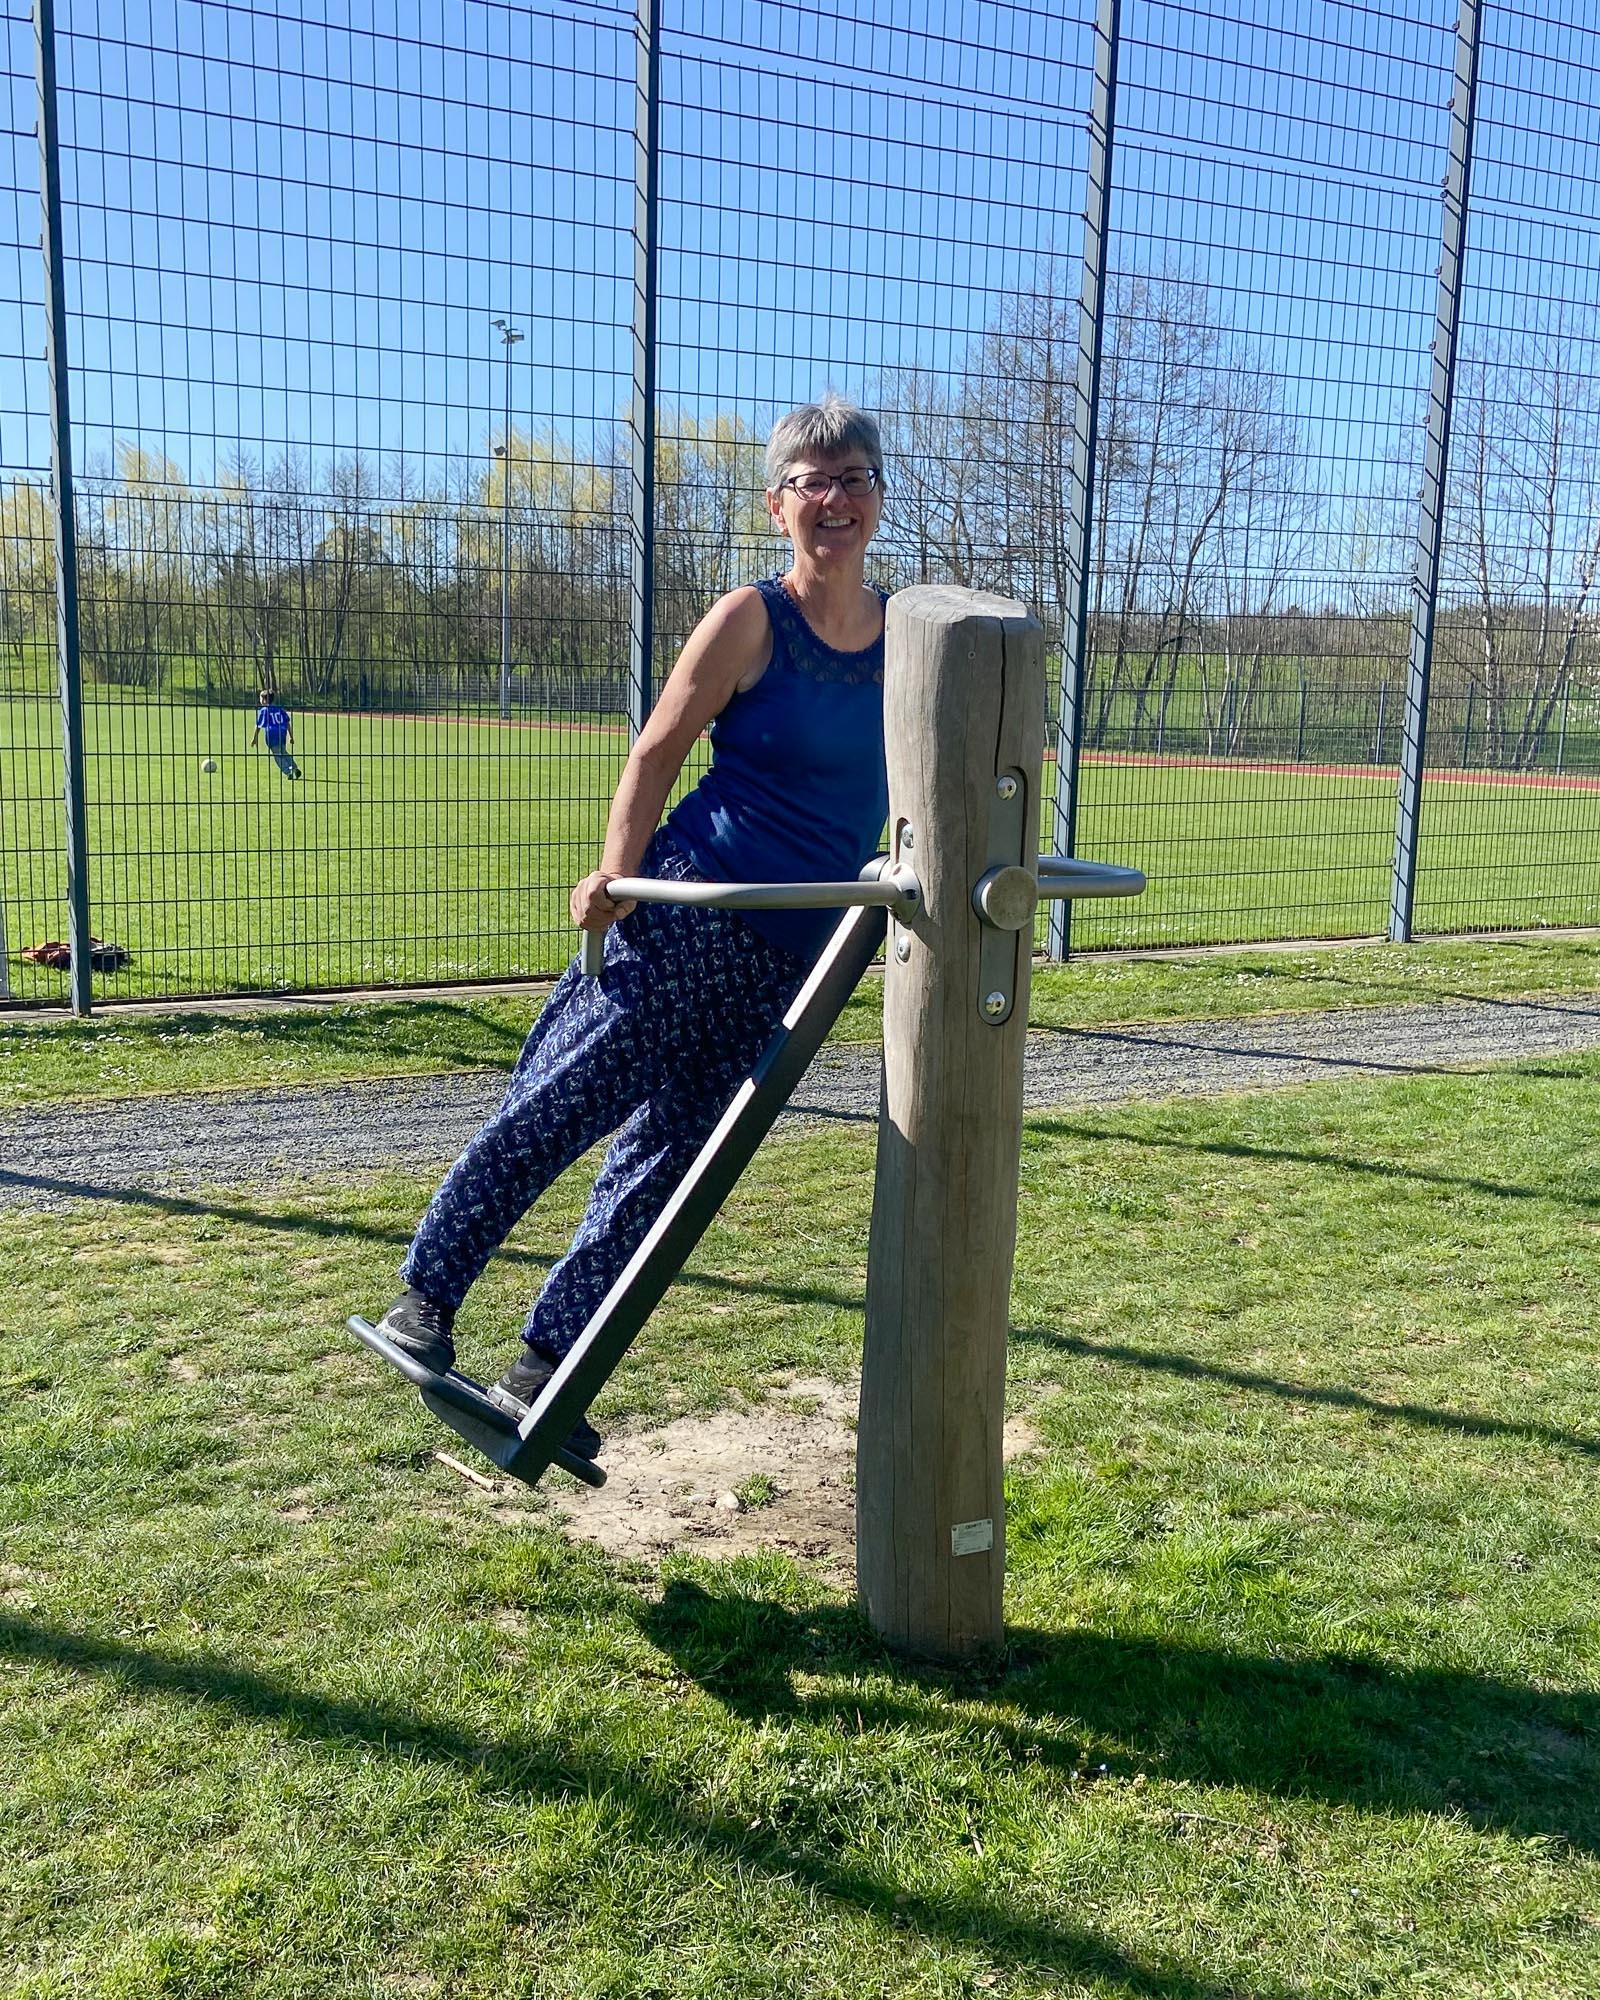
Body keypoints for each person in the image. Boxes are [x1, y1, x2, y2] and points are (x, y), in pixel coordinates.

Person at [372, 393, 891, 1459]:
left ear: (876, 499)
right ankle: (424, 1295)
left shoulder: (905, 639)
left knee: (666, 1165)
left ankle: (545, 1366)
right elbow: (656, 750)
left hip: (790, 953)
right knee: (560, 1104)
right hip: (689, 911)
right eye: (812, 481)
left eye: (853, 480)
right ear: (776, 503)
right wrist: (614, 872)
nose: (833, 500)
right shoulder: (753, 617)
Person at [251, 689, 301, 779]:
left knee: (277, 755)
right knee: (283, 752)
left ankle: (289, 772)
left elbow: (258, 726)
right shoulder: (280, 709)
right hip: (282, 733)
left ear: (264, 700)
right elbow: (287, 723)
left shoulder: (264, 710)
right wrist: (291, 736)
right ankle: (294, 768)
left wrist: (255, 738)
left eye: (260, 698)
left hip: (272, 735)